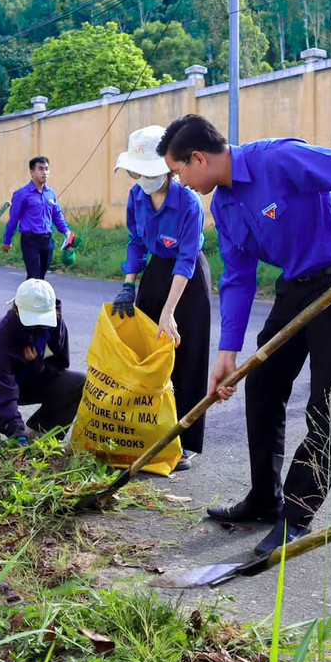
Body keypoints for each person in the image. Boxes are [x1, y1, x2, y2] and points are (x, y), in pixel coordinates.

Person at [158, 114, 331, 556]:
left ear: (198, 158)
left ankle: (297, 513)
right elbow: (238, 278)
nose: (180, 183)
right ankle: (263, 497)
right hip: (295, 288)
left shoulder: (279, 158)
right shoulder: (224, 205)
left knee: (326, 401)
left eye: (179, 173)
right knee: (261, 385)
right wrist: (227, 353)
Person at [109, 125, 211, 462]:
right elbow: (136, 241)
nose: (142, 177)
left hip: (188, 279)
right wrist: (128, 284)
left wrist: (169, 312)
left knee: (187, 358)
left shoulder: (189, 202)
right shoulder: (137, 195)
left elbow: (185, 259)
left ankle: (184, 442)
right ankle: (150, 432)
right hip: (155, 272)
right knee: (149, 354)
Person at [0, 278, 86, 452]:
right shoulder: (0, 335)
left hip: (27, 381)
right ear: (16, 310)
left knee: (78, 381)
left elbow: (58, 365)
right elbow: (1, 390)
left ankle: (41, 435)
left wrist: (35, 364)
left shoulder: (56, 323)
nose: (38, 325)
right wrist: (17, 434)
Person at [1, 155, 71, 280]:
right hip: (30, 241)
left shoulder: (51, 194)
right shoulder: (22, 194)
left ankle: (28, 299)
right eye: (40, 169)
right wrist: (7, 240)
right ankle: (24, 299)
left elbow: (57, 216)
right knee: (34, 277)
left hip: (47, 241)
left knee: (41, 278)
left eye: (46, 169)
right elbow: (13, 219)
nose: (44, 172)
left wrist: (67, 232)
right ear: (32, 172)